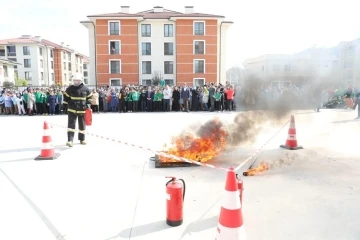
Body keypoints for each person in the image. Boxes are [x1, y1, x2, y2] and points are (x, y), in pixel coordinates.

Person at [63, 73, 92, 147]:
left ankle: (82, 139)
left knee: (82, 126)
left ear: (81, 80)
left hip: (82, 110)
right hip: (72, 110)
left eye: (77, 81)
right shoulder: (70, 88)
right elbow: (66, 98)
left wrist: (88, 104)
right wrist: (64, 106)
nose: (76, 82)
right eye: (75, 80)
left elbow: (90, 97)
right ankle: (70, 140)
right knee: (71, 126)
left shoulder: (86, 89)